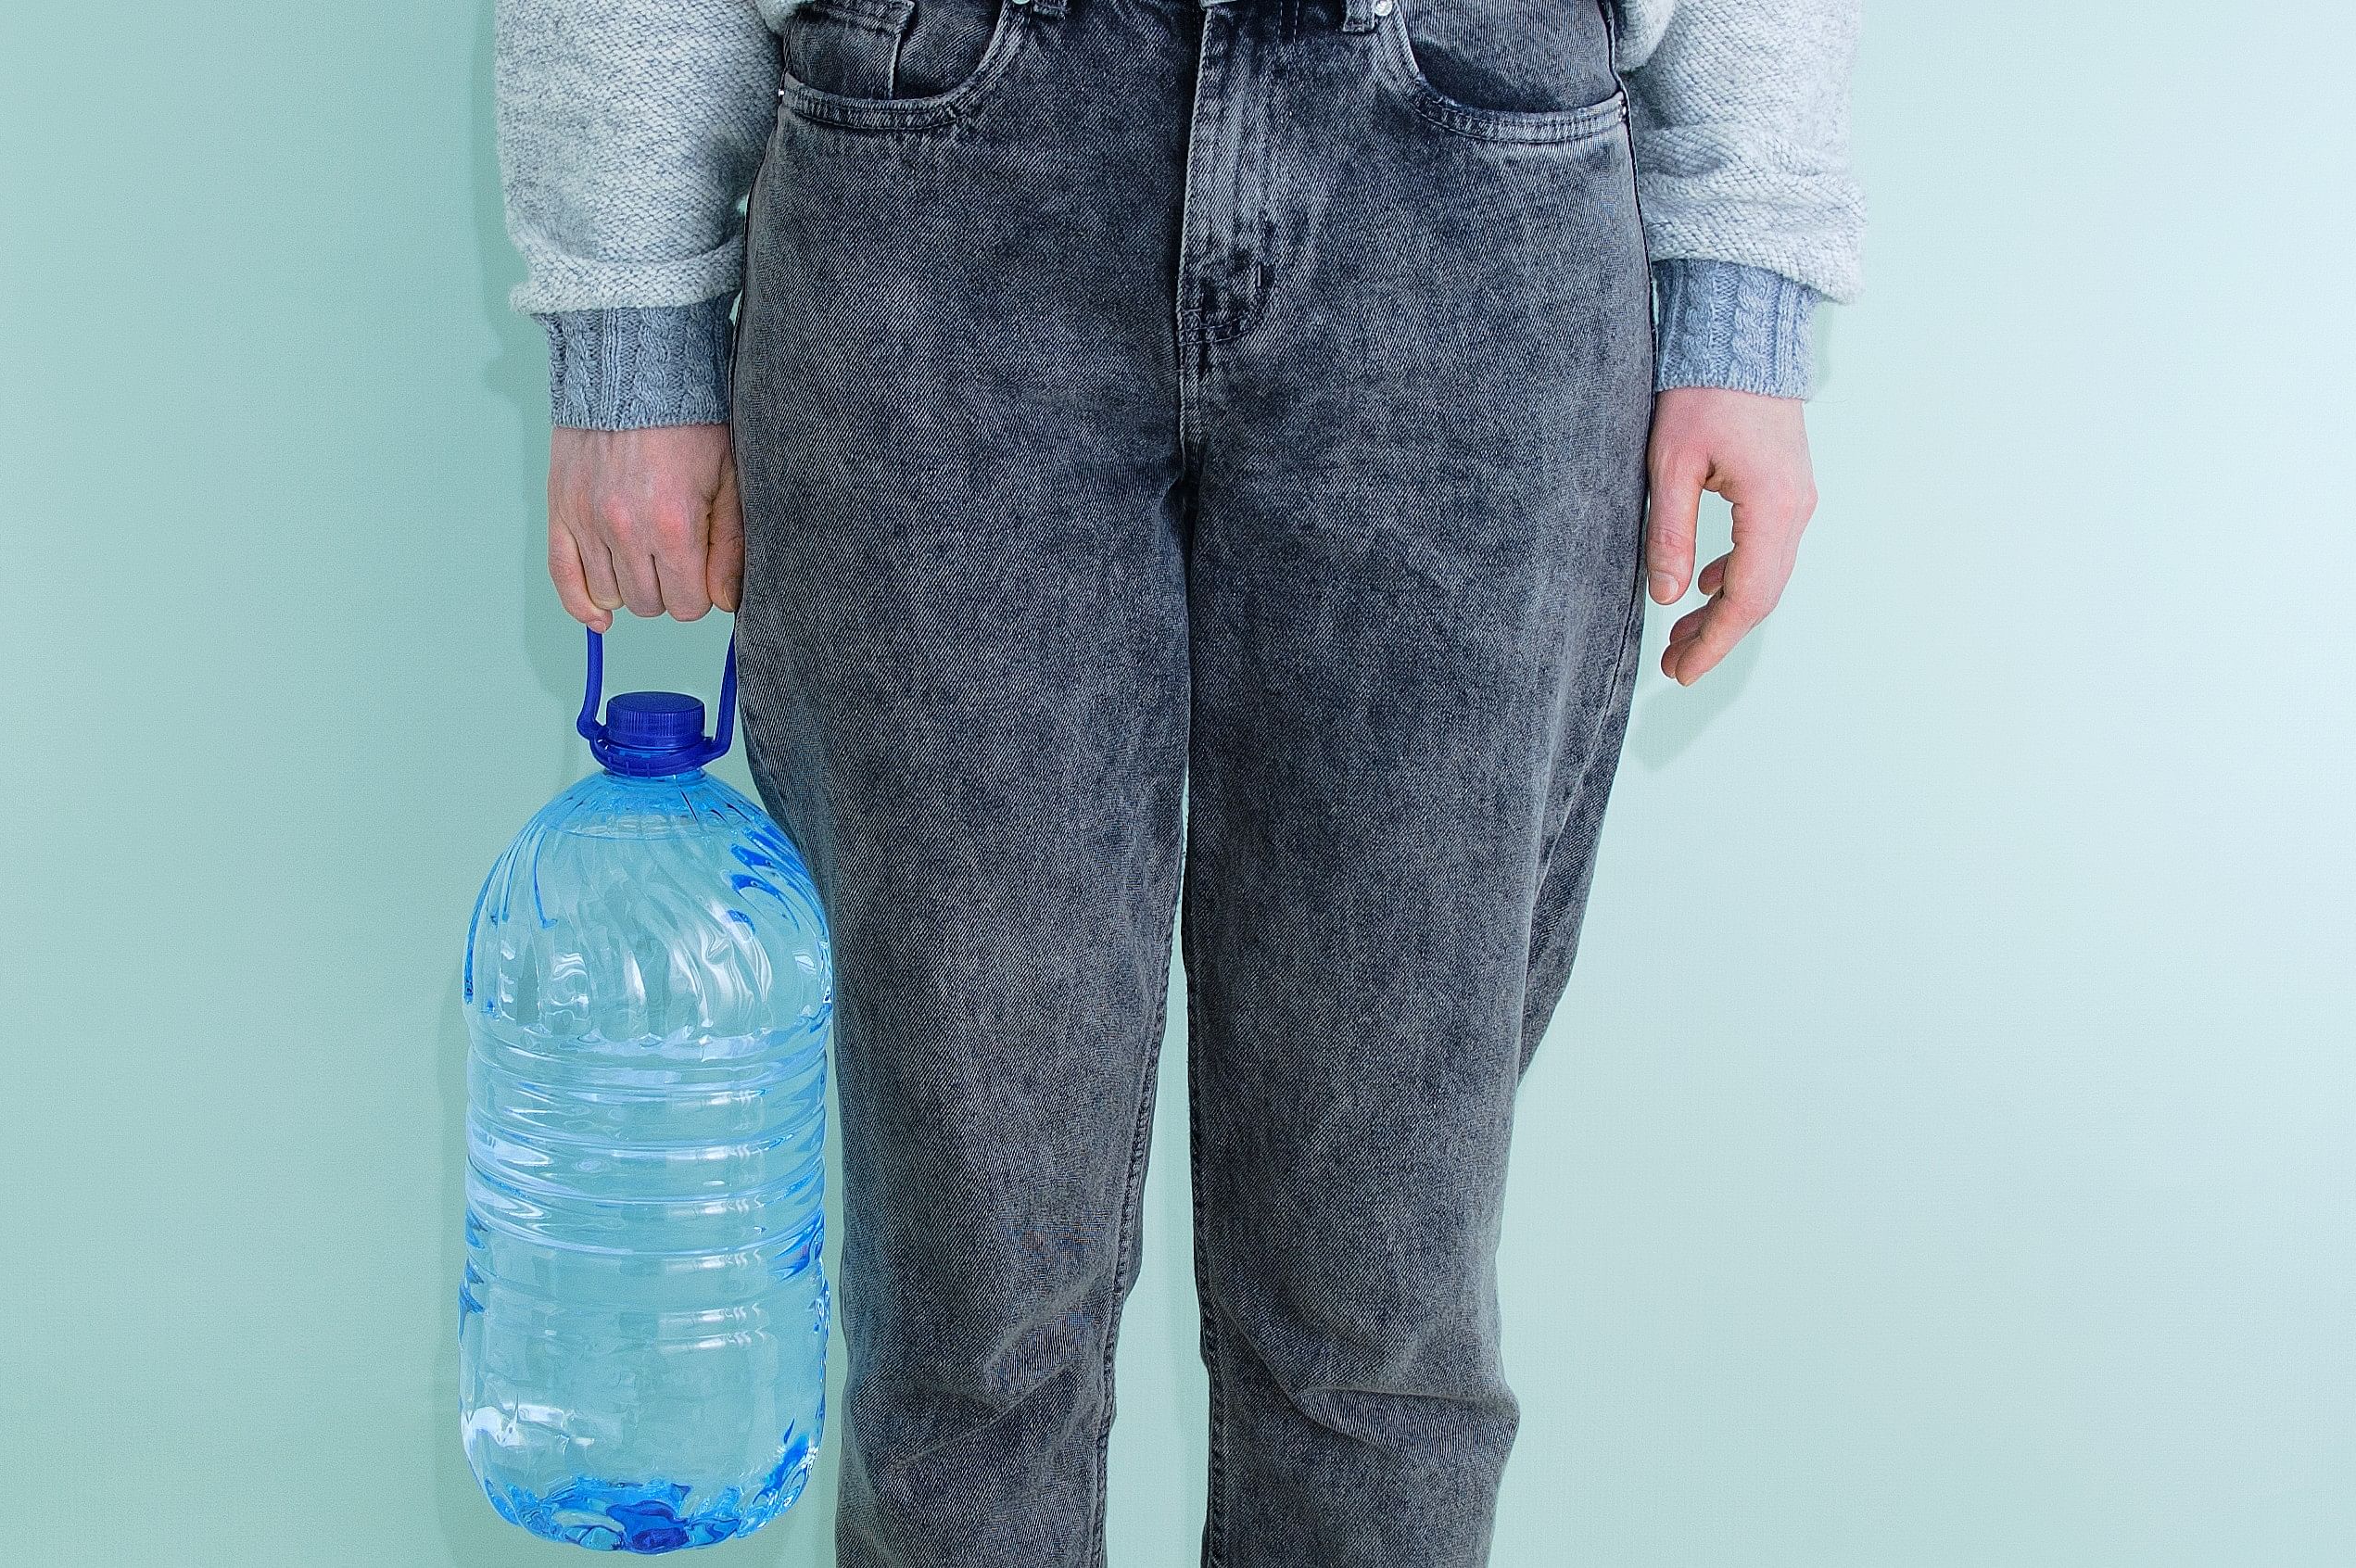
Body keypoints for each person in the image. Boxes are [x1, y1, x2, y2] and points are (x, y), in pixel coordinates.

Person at [495, 0, 1860, 1562]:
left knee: (1380, 1312)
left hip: (1477, 169)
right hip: (937, 159)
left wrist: (1747, 286)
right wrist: (630, 324)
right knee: (966, 1306)